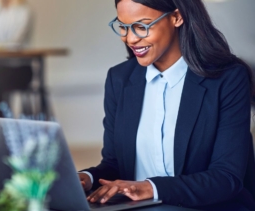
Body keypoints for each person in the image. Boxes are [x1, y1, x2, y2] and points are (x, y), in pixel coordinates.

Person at [78, 0, 255, 210]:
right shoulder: (120, 79)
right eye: (123, 27)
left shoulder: (227, 78)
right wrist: (86, 178)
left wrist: (151, 188)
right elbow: (115, 165)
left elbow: (226, 177)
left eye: (141, 27)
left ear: (177, 17)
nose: (130, 38)